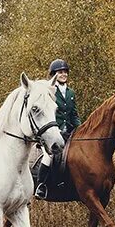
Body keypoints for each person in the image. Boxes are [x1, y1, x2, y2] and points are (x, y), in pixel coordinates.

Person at [35, 58, 80, 199]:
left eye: (65, 72)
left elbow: (74, 114)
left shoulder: (71, 93)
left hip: (69, 132)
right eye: (60, 72)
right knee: (50, 156)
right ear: (54, 74)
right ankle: (40, 185)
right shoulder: (50, 92)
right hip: (54, 132)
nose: (64, 74)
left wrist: (81, 129)